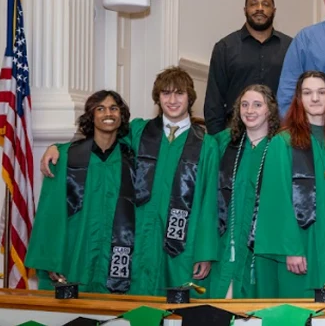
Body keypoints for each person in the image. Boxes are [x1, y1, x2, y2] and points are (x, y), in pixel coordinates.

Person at [39, 68, 222, 296]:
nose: (172, 100)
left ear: (190, 97)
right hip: (137, 238)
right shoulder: (139, 130)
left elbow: (209, 203)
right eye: (166, 93)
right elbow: (100, 143)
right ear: (158, 98)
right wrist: (57, 148)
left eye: (179, 94)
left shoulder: (206, 144)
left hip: (181, 242)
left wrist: (205, 252)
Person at [255, 71, 325, 298]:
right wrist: (290, 249)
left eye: (321, 92)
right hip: (301, 245)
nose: (315, 98)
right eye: (307, 93)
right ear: (298, 99)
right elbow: (277, 200)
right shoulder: (283, 143)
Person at [26, 91, 142, 294]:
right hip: (75, 255)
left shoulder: (133, 160)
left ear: (121, 115)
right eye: (101, 108)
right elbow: (50, 215)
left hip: (116, 256)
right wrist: (51, 260)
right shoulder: (66, 158)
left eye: (114, 108)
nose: (108, 113)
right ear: (91, 115)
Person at [203, 84, 281, 299]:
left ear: (270, 110)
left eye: (257, 105)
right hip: (226, 241)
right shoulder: (223, 143)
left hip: (262, 246)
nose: (250, 110)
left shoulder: (280, 146)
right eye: (244, 105)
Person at [205, 0, 292, 134]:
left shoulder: (290, 47)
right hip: (234, 134)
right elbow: (214, 100)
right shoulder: (225, 47)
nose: (260, 8)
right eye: (254, 4)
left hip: (280, 135)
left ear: (274, 11)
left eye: (266, 4)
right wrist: (218, 140)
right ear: (245, 10)